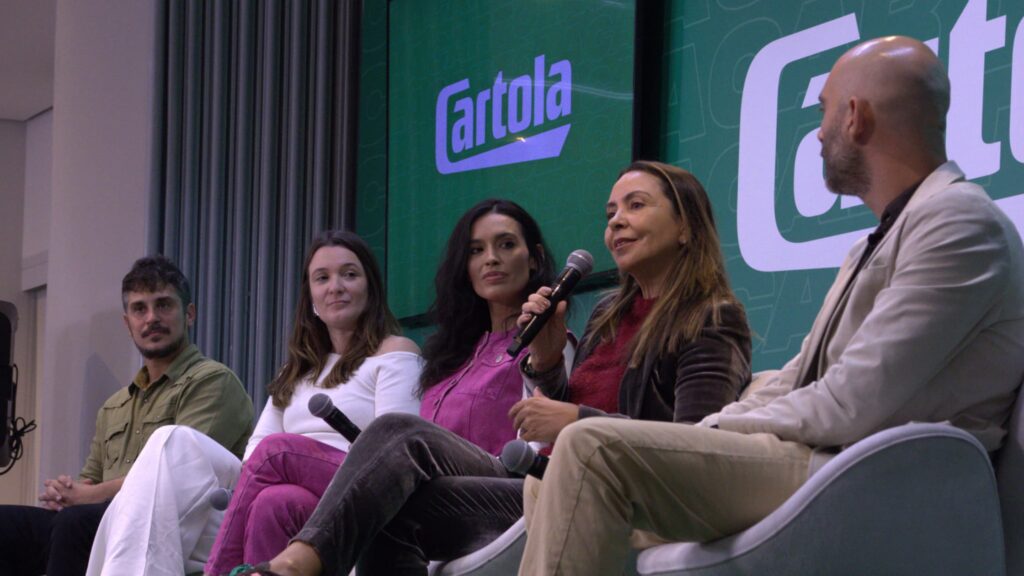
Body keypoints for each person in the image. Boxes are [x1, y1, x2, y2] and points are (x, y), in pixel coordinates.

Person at [516, 36, 1024, 576]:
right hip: (834, 459)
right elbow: (798, 376)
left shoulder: (957, 222)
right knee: (547, 482)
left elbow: (851, 402)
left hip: (876, 477)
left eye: (824, 111)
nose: (819, 133)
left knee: (591, 449)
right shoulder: (876, 242)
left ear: (855, 117)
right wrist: (724, 421)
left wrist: (714, 430)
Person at [243, 160, 752, 576]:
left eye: (635, 206)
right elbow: (559, 410)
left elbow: (694, 451)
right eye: (611, 211)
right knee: (391, 494)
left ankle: (298, 563)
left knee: (396, 442)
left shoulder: (711, 317)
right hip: (546, 482)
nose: (615, 222)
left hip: (607, 496)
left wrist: (578, 420)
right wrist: (547, 363)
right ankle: (296, 563)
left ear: (686, 226)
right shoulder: (608, 313)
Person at [85, 231, 422, 576]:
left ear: (371, 287)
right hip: (295, 495)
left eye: (349, 274)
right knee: (176, 444)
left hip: (364, 488)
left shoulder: (395, 352)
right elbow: (253, 455)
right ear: (311, 298)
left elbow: (393, 458)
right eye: (322, 278)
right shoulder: (297, 370)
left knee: (275, 452)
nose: (335, 286)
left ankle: (222, 569)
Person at [0, 255, 253, 576]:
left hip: (173, 524)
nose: (151, 318)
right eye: (139, 309)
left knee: (75, 523)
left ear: (189, 314)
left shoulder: (212, 382)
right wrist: (67, 493)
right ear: (127, 323)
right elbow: (91, 480)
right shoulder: (115, 405)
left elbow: (179, 476)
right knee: (7, 525)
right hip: (102, 519)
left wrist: (88, 496)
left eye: (163, 305)